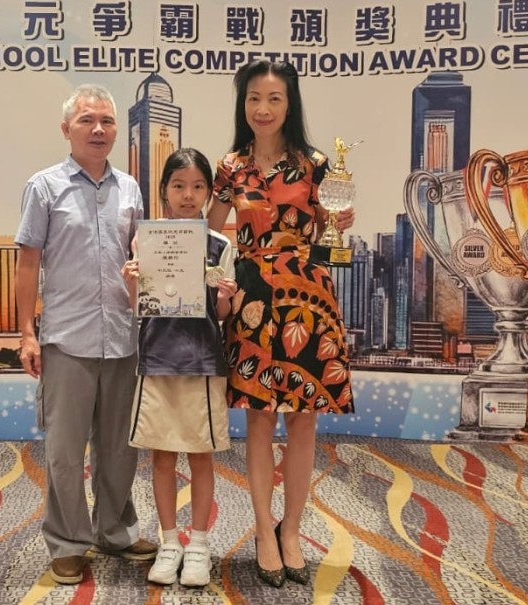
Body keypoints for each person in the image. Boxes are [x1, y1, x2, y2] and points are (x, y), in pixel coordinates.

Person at [207, 60, 356, 588]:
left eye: (274, 98)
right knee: (259, 419)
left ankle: (290, 529)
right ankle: (262, 531)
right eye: (254, 98)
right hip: (251, 300)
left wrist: (341, 223)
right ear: (242, 103)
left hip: (308, 297)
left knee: (304, 419)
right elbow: (212, 235)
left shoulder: (316, 165)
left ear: (290, 104)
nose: (263, 108)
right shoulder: (231, 167)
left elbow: (331, 232)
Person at [14, 84, 158, 585]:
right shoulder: (44, 187)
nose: (98, 130)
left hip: (122, 335)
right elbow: (27, 263)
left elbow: (142, 257)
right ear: (66, 129)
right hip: (66, 339)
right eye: (87, 120)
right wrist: (27, 333)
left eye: (107, 121)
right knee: (65, 451)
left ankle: (115, 531)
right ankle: (68, 542)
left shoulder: (131, 188)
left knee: (120, 448)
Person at [120, 148, 237, 587]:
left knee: (201, 457)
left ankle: (199, 543)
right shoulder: (146, 239)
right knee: (162, 457)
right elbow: (139, 307)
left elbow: (221, 314)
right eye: (179, 186)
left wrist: (225, 296)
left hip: (202, 361)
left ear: (208, 192)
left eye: (198, 186)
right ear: (164, 191)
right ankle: (169, 542)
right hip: (157, 358)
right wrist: (130, 281)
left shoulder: (220, 244)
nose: (188, 195)